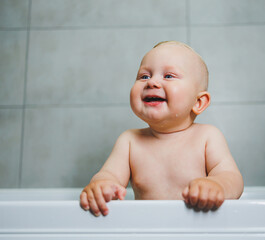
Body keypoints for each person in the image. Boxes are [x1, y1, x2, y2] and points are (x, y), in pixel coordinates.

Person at [80, 41, 244, 216]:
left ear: (198, 102)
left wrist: (217, 186)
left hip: (196, 231)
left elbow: (232, 179)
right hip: (148, 230)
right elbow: (109, 175)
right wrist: (101, 186)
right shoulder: (129, 141)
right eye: (144, 76)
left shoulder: (207, 137)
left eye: (168, 76)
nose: (152, 82)